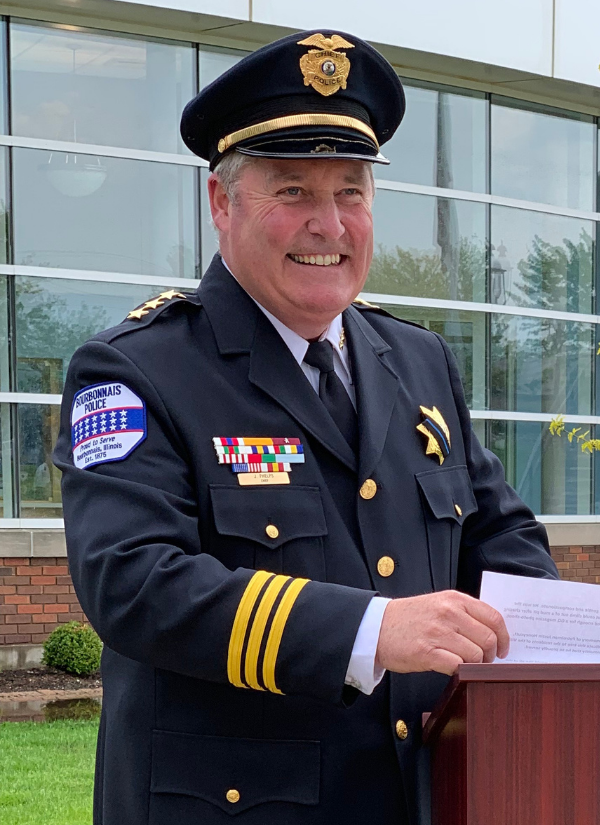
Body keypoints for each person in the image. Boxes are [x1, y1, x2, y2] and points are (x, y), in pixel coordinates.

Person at [53, 29, 558, 825]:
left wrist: (562, 635)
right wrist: (372, 627)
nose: (329, 224)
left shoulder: (418, 359)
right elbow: (134, 583)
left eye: (350, 192)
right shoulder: (137, 369)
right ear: (222, 203)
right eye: (292, 191)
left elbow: (499, 536)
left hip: (421, 796)